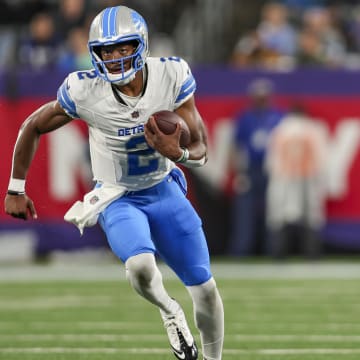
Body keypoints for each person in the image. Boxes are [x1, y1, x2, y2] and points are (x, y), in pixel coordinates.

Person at [4, 6, 224, 360]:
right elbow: (33, 125)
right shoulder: (85, 90)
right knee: (139, 266)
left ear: (141, 44)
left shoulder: (171, 74)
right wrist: (16, 187)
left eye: (124, 48)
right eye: (107, 51)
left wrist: (177, 152)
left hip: (163, 187)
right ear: (95, 54)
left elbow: (201, 147)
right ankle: (170, 311)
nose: (116, 58)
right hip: (117, 195)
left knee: (206, 289)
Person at [228, 78, 284, 257]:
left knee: (274, 211)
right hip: (251, 169)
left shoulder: (278, 116)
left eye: (264, 96)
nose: (261, 99)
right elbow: (236, 146)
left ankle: (272, 249)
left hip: (273, 169)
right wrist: (239, 172)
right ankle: (242, 249)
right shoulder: (245, 117)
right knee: (245, 211)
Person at [265, 107, 328, 259]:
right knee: (311, 217)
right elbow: (321, 158)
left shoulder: (279, 130)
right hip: (308, 178)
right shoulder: (312, 130)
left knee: (279, 217)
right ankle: (312, 255)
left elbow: (271, 161)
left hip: (283, 178)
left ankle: (278, 255)